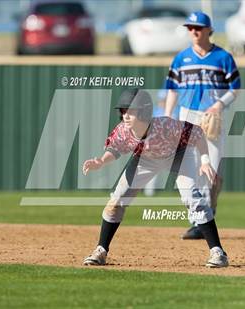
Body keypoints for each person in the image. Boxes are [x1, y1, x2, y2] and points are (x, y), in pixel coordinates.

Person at [83, 89, 228, 268]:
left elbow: (197, 133)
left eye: (130, 110)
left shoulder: (165, 126)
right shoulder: (123, 131)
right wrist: (100, 161)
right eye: (123, 111)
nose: (125, 115)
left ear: (144, 111)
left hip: (179, 155)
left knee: (193, 198)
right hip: (145, 160)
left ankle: (218, 252)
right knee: (116, 201)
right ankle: (101, 250)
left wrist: (205, 160)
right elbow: (114, 149)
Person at [164, 11, 241, 239]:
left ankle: (209, 212)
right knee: (189, 172)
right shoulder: (181, 58)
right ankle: (198, 221)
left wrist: (219, 104)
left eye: (198, 28)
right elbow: (172, 89)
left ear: (209, 30)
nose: (194, 31)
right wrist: (168, 116)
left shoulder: (223, 58)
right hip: (187, 118)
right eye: (190, 28)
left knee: (212, 173)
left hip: (212, 119)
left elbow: (235, 88)